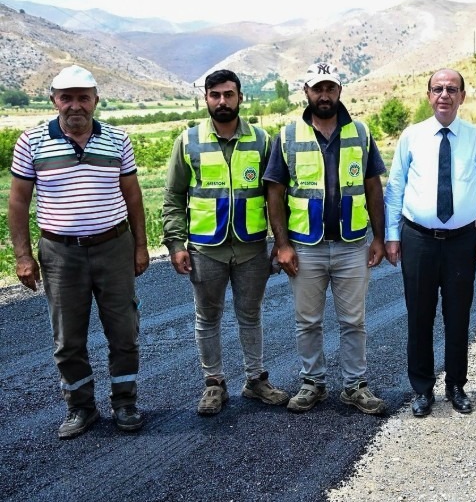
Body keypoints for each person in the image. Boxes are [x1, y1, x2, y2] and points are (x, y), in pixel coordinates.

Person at [8, 65, 149, 439]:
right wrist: (23, 257)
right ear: (54, 99)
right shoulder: (32, 141)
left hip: (114, 247)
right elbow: (19, 203)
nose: (75, 105)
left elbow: (133, 196)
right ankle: (81, 408)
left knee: (124, 331)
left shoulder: (117, 140)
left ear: (95, 101)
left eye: (83, 97)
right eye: (66, 97)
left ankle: (125, 403)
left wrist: (140, 246)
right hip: (60, 254)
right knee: (68, 339)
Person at [162, 69, 289, 416]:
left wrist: (281, 242)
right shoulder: (187, 141)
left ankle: (255, 381)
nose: (222, 101)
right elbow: (173, 196)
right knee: (207, 317)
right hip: (205, 249)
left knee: (251, 315)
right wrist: (175, 243)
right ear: (206, 98)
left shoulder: (262, 140)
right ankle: (214, 384)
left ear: (240, 97)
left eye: (228, 94)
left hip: (251, 247)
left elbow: (277, 196)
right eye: (215, 95)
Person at [265, 62, 387, 415]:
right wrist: (282, 244)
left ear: (339, 92)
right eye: (317, 89)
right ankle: (312, 383)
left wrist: (378, 238)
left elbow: (373, 187)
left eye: (330, 88)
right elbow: (275, 192)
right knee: (308, 321)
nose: (323, 95)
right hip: (305, 246)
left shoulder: (360, 133)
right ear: (306, 92)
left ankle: (355, 386)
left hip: (351, 245)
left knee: (354, 321)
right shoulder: (288, 136)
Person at [385, 68, 476, 417]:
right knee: (419, 317)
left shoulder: (475, 138)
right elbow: (394, 189)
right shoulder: (412, 136)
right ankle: (422, 390)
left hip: (461, 241)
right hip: (418, 238)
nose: (445, 95)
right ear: (428, 95)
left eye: (452, 89)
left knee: (458, 315)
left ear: (463, 96)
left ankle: (456, 385)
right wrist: (392, 236)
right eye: (438, 89)